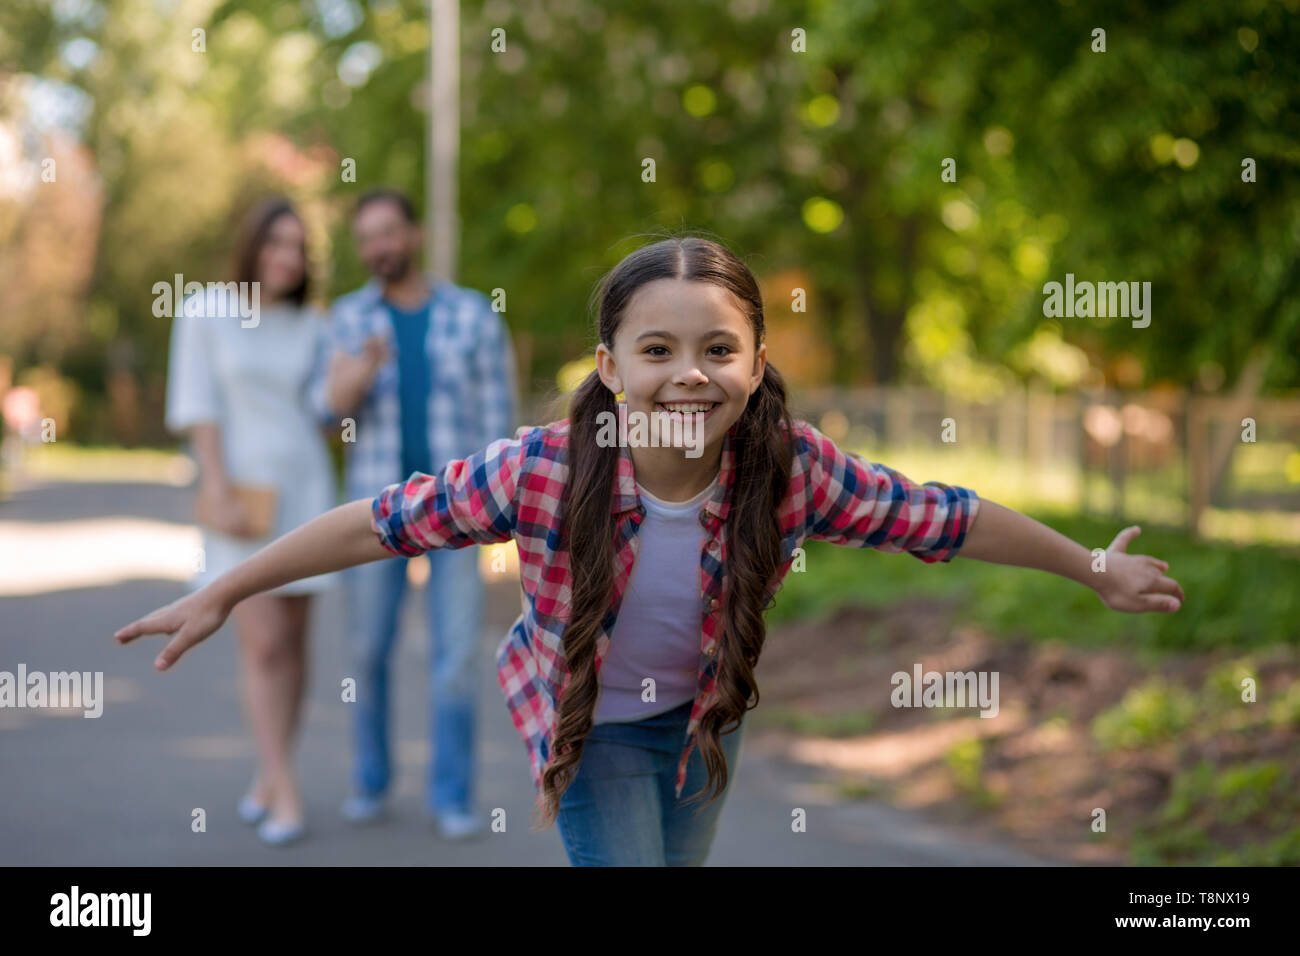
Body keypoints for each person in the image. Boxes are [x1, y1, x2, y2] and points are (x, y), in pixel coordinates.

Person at [120, 235, 1185, 866]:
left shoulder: (790, 469)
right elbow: (379, 519)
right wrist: (230, 582)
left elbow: (942, 515)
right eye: (659, 349)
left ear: (758, 362)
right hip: (590, 731)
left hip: (701, 728)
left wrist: (1090, 565)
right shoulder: (538, 470)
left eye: (719, 349)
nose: (690, 373)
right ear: (610, 363)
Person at [315, 187, 516, 839]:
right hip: (375, 513)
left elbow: (496, 424)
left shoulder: (472, 315)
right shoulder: (347, 319)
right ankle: (372, 781)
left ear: (415, 234)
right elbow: (328, 413)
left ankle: (452, 796)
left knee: (455, 657)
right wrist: (364, 369)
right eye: (367, 237)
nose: (379, 246)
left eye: (389, 232)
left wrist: (498, 516)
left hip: (456, 514)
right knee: (368, 649)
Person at [163, 197, 339, 847]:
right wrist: (217, 484)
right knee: (262, 642)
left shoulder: (312, 323)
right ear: (252, 245)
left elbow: (325, 409)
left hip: (307, 487)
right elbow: (196, 404)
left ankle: (270, 775)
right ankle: (284, 788)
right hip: (241, 494)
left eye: (298, 247)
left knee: (294, 641)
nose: (287, 257)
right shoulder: (206, 309)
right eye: (276, 243)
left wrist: (352, 381)